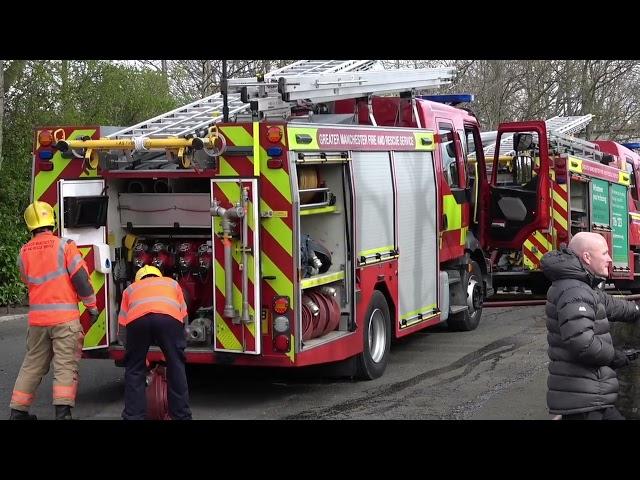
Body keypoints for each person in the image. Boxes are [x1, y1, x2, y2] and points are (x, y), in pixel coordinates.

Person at [10, 201, 99, 420]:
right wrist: (92, 307)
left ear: (30, 225)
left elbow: (26, 280)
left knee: (32, 365)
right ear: (52, 221)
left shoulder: (24, 252)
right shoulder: (64, 246)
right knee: (65, 366)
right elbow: (81, 280)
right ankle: (63, 414)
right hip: (64, 320)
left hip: (38, 321)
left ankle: (17, 412)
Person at [541, 231, 640, 420]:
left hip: (587, 397)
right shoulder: (574, 290)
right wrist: (615, 356)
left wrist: (636, 309)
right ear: (587, 257)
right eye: (604, 253)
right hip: (584, 402)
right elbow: (582, 342)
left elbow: (609, 304)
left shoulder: (580, 286)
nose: (610, 259)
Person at [119, 265, 192, 420]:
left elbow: (122, 327)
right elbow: (184, 317)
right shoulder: (171, 283)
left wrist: (133, 355)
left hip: (137, 322)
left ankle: (133, 416)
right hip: (169, 319)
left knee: (134, 370)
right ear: (159, 275)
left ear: (137, 279)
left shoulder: (130, 289)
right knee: (176, 367)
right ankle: (181, 416)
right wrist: (176, 349)